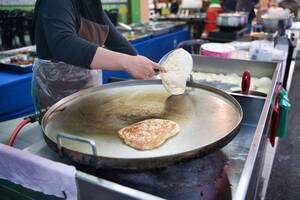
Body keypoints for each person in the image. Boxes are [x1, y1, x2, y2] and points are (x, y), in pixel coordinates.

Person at [32, 0, 165, 111]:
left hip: (86, 89)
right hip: (57, 93)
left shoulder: (91, 3)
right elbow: (63, 43)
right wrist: (126, 62)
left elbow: (115, 40)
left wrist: (145, 69)